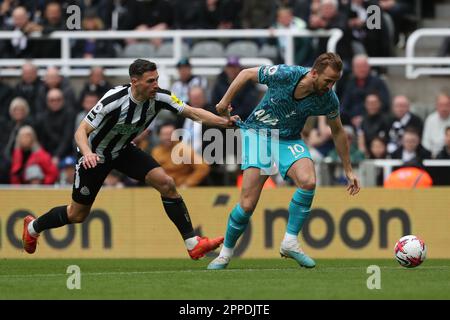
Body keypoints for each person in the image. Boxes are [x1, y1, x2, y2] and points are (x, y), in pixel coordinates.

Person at [22, 59, 240, 260]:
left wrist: (225, 123)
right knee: (77, 214)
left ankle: (192, 243)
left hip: (123, 150)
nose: (156, 84)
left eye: (157, 79)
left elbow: (193, 113)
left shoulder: (161, 97)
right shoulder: (114, 99)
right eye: (150, 81)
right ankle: (33, 227)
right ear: (134, 82)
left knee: (166, 183)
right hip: (96, 155)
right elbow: (81, 131)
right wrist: (87, 153)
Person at [208, 52, 360, 270]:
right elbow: (246, 73)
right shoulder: (286, 74)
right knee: (248, 204)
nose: (330, 87)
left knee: (308, 181)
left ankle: (289, 242)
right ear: (314, 73)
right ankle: (225, 254)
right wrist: (224, 103)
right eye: (328, 81)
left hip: (288, 139)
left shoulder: (328, 98)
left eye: (334, 82)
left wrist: (348, 170)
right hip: (257, 133)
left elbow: (337, 131)